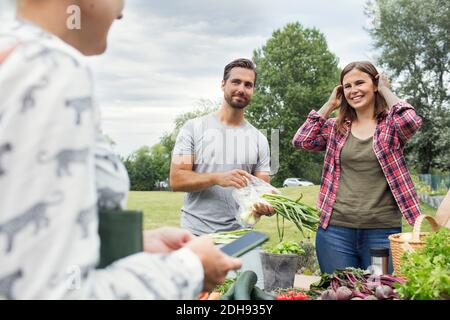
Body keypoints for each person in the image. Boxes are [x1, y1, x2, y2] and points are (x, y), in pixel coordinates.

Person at [0, 0, 241, 299]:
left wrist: (132, 245)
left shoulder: (14, 53)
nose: (123, 11)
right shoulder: (53, 68)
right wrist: (189, 269)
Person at [292, 61, 423, 274]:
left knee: (380, 291)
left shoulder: (391, 125)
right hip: (335, 232)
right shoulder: (336, 128)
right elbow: (301, 140)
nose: (353, 90)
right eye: (347, 86)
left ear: (374, 85)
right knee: (339, 292)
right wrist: (329, 105)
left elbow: (411, 120)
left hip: (381, 232)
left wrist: (386, 89)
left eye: (360, 83)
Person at [169, 58, 274, 287]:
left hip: (240, 238)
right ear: (223, 84)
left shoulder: (260, 139)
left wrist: (264, 205)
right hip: (197, 235)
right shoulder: (193, 128)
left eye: (248, 85)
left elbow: (262, 189)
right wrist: (218, 177)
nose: (242, 89)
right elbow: (177, 179)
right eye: (236, 82)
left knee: (251, 297)